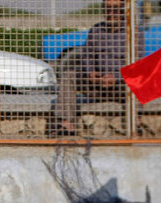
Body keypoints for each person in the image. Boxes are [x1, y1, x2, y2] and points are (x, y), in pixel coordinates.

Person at [49, 0, 139, 136]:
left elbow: (137, 65)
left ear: (123, 10)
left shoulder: (133, 32)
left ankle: (134, 125)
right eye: (108, 8)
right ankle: (66, 123)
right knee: (69, 75)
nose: (111, 12)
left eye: (115, 8)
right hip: (97, 86)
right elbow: (86, 55)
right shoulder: (96, 30)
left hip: (121, 87)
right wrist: (90, 72)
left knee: (138, 81)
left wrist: (116, 77)